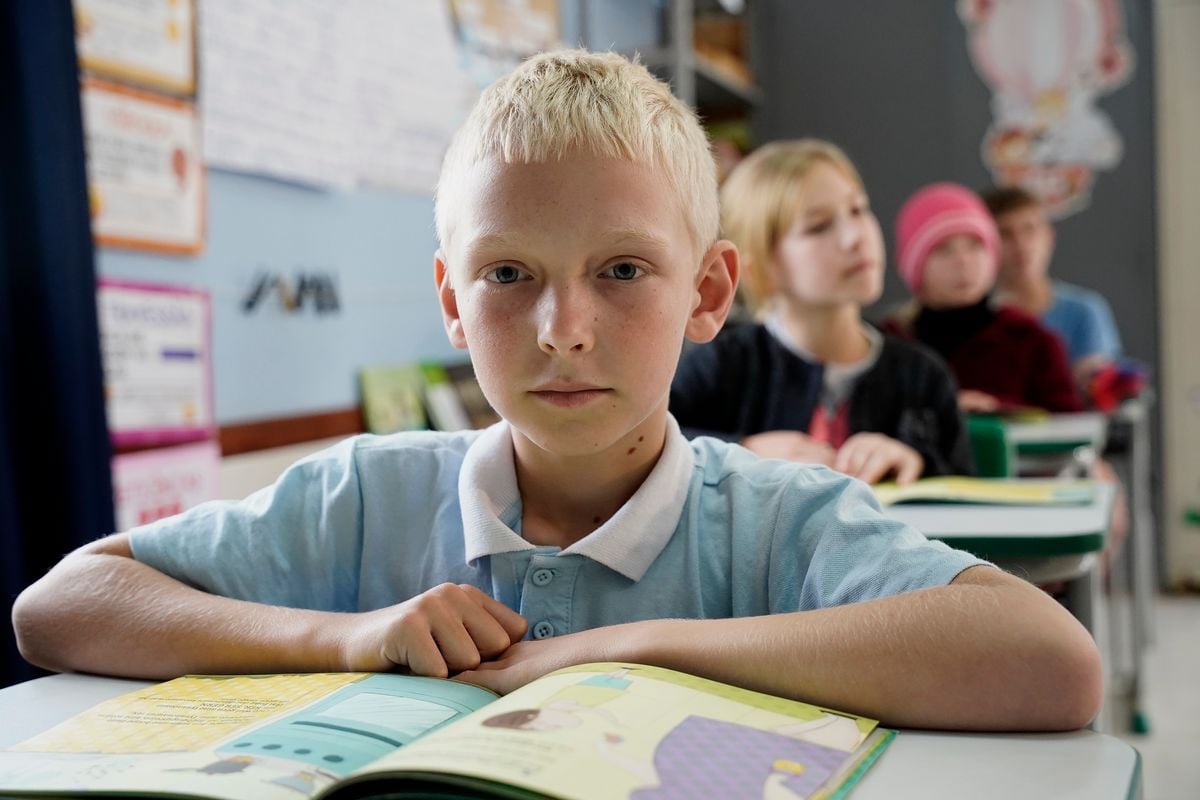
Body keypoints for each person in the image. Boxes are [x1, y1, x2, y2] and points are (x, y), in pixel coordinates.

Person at [13, 51, 1100, 731]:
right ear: (451, 297)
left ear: (709, 291)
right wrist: (346, 636)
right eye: (508, 274)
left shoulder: (774, 523)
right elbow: (58, 606)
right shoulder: (367, 496)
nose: (563, 328)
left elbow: (1050, 663)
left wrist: (627, 645)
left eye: (622, 271)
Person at [670, 140, 971, 484]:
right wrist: (744, 448)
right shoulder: (719, 366)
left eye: (858, 210)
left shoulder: (923, 375)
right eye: (819, 226)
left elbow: (967, 492)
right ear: (760, 270)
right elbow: (645, 452)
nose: (855, 237)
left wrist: (915, 461)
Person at [883, 182, 1083, 414]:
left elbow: (1070, 429)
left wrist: (997, 411)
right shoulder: (888, 346)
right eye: (943, 249)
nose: (963, 261)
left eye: (975, 245)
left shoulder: (1032, 341)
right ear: (914, 266)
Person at [982, 185, 1143, 409]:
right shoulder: (974, 319)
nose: (1021, 245)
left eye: (1029, 230)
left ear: (1049, 236)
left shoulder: (1086, 310)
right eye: (1005, 234)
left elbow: (1100, 392)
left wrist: (1098, 383)